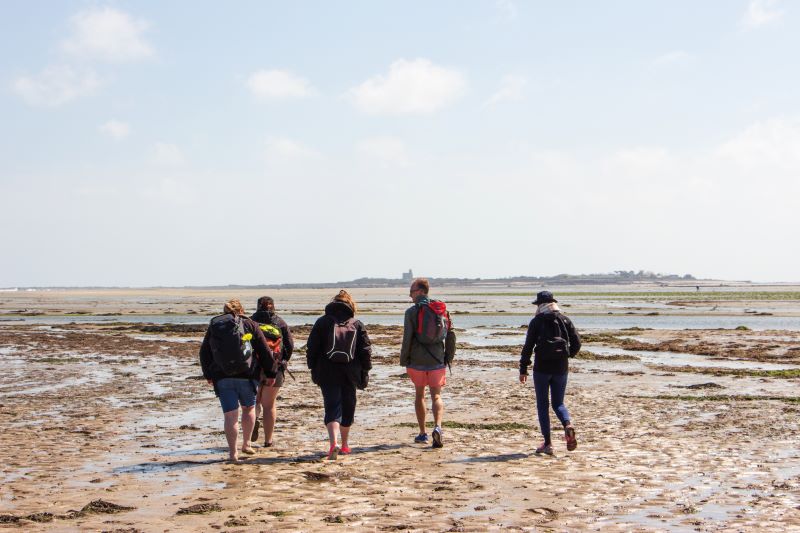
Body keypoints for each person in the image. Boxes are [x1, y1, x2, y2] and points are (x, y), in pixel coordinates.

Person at [199, 299, 279, 462]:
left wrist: (208, 374)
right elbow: (264, 350)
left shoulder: (216, 325)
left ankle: (232, 453)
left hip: (222, 376)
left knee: (230, 416)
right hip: (248, 375)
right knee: (248, 409)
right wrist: (271, 373)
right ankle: (246, 444)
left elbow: (204, 351)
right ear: (242, 310)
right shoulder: (250, 324)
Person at [306, 290, 372, 460]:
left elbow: (312, 348)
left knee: (332, 406)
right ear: (351, 305)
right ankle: (344, 445)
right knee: (348, 406)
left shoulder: (322, 322)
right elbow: (365, 351)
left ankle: (333, 443)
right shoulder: (356, 324)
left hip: (326, 371)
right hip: (350, 372)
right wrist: (365, 371)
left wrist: (313, 368)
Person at [519, 291, 581, 455]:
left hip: (542, 369)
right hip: (561, 368)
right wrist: (567, 356)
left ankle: (548, 444)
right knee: (558, 403)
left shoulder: (536, 321)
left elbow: (528, 346)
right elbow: (577, 343)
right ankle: (567, 424)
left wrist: (523, 368)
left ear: (540, 305)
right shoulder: (565, 320)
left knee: (542, 405)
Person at [400, 278, 452, 449]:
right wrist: (448, 358)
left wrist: (404, 359)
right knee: (436, 396)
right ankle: (438, 426)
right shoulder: (441, 309)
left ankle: (423, 434)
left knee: (419, 395)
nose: (410, 295)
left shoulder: (411, 312)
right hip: (437, 360)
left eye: (412, 292)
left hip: (417, 361)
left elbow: (407, 338)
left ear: (421, 291)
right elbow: (451, 336)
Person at [250, 296, 295, 448]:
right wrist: (282, 361)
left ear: (257, 306)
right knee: (269, 405)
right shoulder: (280, 322)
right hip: (275, 368)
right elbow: (289, 345)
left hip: (254, 368)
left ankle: (253, 424)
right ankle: (268, 440)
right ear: (273, 306)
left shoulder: (250, 322)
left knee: (254, 402)